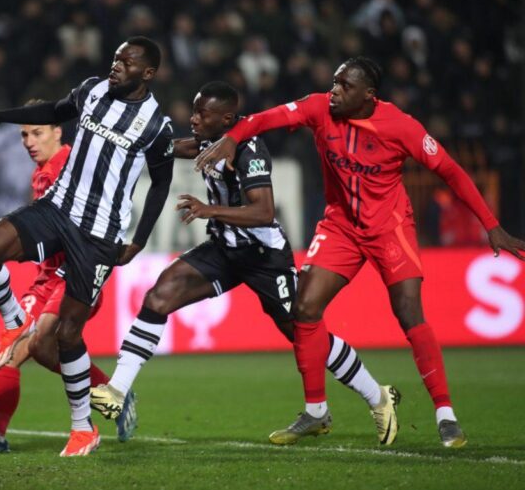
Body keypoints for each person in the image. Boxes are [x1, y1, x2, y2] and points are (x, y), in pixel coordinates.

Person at [194, 57, 525, 448]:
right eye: (334, 82)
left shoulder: (401, 126)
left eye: (344, 86)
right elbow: (263, 119)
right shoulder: (319, 108)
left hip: (390, 228)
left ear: (369, 95)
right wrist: (233, 136)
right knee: (304, 308)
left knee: (408, 313)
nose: (334, 91)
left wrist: (492, 225)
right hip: (341, 227)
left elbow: (450, 170)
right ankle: (316, 411)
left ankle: (446, 414)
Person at [91, 81, 401, 446]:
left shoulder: (249, 149)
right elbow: (186, 147)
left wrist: (210, 210)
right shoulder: (211, 138)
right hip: (224, 249)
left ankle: (376, 396)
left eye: (201, 114)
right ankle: (117, 389)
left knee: (302, 333)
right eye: (193, 111)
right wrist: (143, 146)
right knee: (159, 295)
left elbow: (264, 211)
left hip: (264, 257)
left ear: (226, 119)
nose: (192, 119)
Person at [0, 36, 174, 456]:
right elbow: (54, 109)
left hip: (99, 234)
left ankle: (82, 428)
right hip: (58, 210)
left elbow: (161, 183)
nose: (116, 66)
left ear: (148, 73)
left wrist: (138, 240)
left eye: (126, 62)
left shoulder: (157, 125)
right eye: (115, 58)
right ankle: (13, 322)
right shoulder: (93, 89)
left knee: (66, 336)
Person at [0, 105, 137, 455]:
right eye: (24, 134)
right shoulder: (40, 173)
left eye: (37, 133)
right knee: (9, 354)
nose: (28, 141)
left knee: (40, 343)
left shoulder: (73, 167)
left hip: (77, 271)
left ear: (58, 132)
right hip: (46, 278)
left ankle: (95, 415)